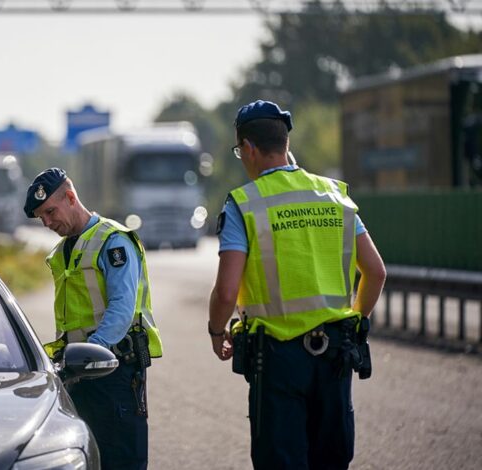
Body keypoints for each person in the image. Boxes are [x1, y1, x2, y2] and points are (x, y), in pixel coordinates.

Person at [207, 100, 387, 470]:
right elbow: (376, 271)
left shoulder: (244, 204)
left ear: (249, 149)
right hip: (336, 353)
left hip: (277, 360)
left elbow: (226, 290)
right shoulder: (334, 195)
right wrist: (356, 322)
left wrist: (215, 330)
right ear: (285, 143)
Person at [23, 167, 163, 470]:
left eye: (50, 212)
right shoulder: (63, 250)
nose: (47, 222)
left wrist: (91, 352)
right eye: (41, 218)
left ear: (70, 197)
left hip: (114, 369)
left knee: (121, 459)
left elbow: (122, 309)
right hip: (80, 372)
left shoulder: (113, 241)